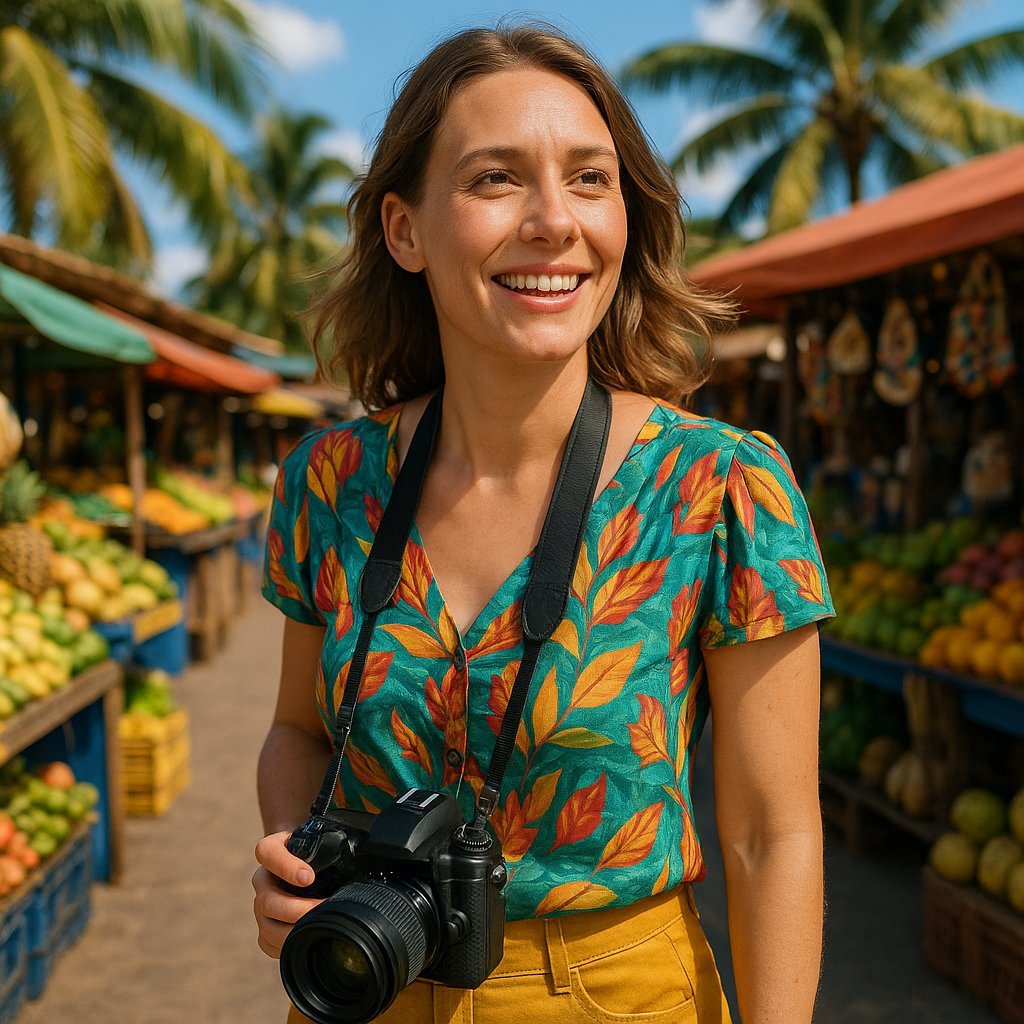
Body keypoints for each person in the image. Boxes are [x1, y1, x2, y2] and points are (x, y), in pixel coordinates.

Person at [254, 24, 834, 1024]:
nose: (553, 221)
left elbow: (770, 834)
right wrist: (299, 857)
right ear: (404, 229)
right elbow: (297, 730)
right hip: (370, 983)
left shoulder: (720, 486)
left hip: (618, 995)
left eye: (590, 179)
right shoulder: (327, 481)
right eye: (494, 180)